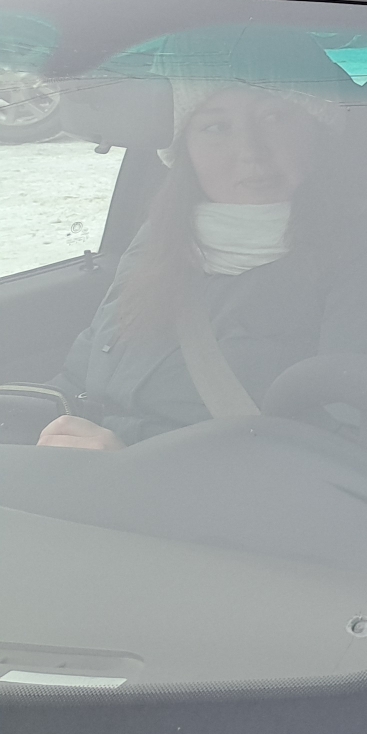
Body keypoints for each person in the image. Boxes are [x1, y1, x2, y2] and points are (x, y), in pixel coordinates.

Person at [38, 53, 346, 450]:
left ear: (317, 130)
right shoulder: (162, 235)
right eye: (216, 127)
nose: (250, 150)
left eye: (274, 118)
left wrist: (132, 458)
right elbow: (79, 381)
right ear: (186, 149)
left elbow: (352, 451)